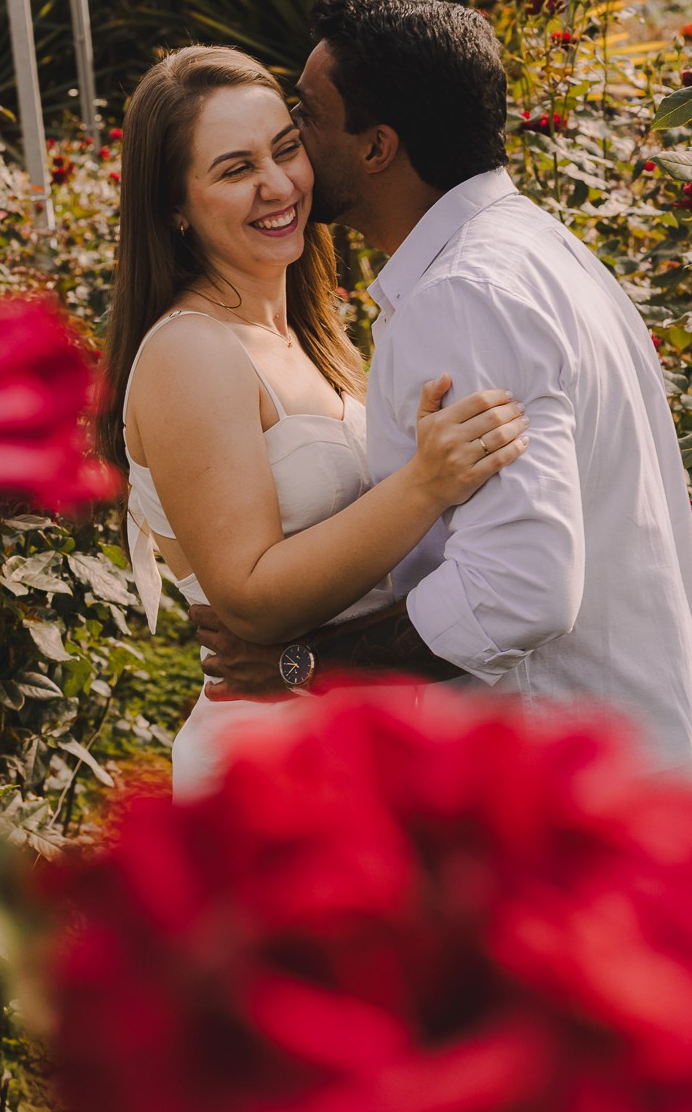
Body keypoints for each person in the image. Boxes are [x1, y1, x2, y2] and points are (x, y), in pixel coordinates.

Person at [195, 0, 692, 773]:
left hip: (560, 777)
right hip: (630, 749)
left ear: (377, 147)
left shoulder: (465, 295)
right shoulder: (536, 250)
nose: (291, 143)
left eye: (309, 118)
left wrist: (304, 666)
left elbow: (517, 590)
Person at [100, 45, 528, 796]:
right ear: (174, 206)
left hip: (351, 738)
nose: (278, 185)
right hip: (269, 761)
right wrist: (426, 484)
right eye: (235, 170)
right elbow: (252, 599)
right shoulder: (191, 352)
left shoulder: (307, 333)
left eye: (286, 149)